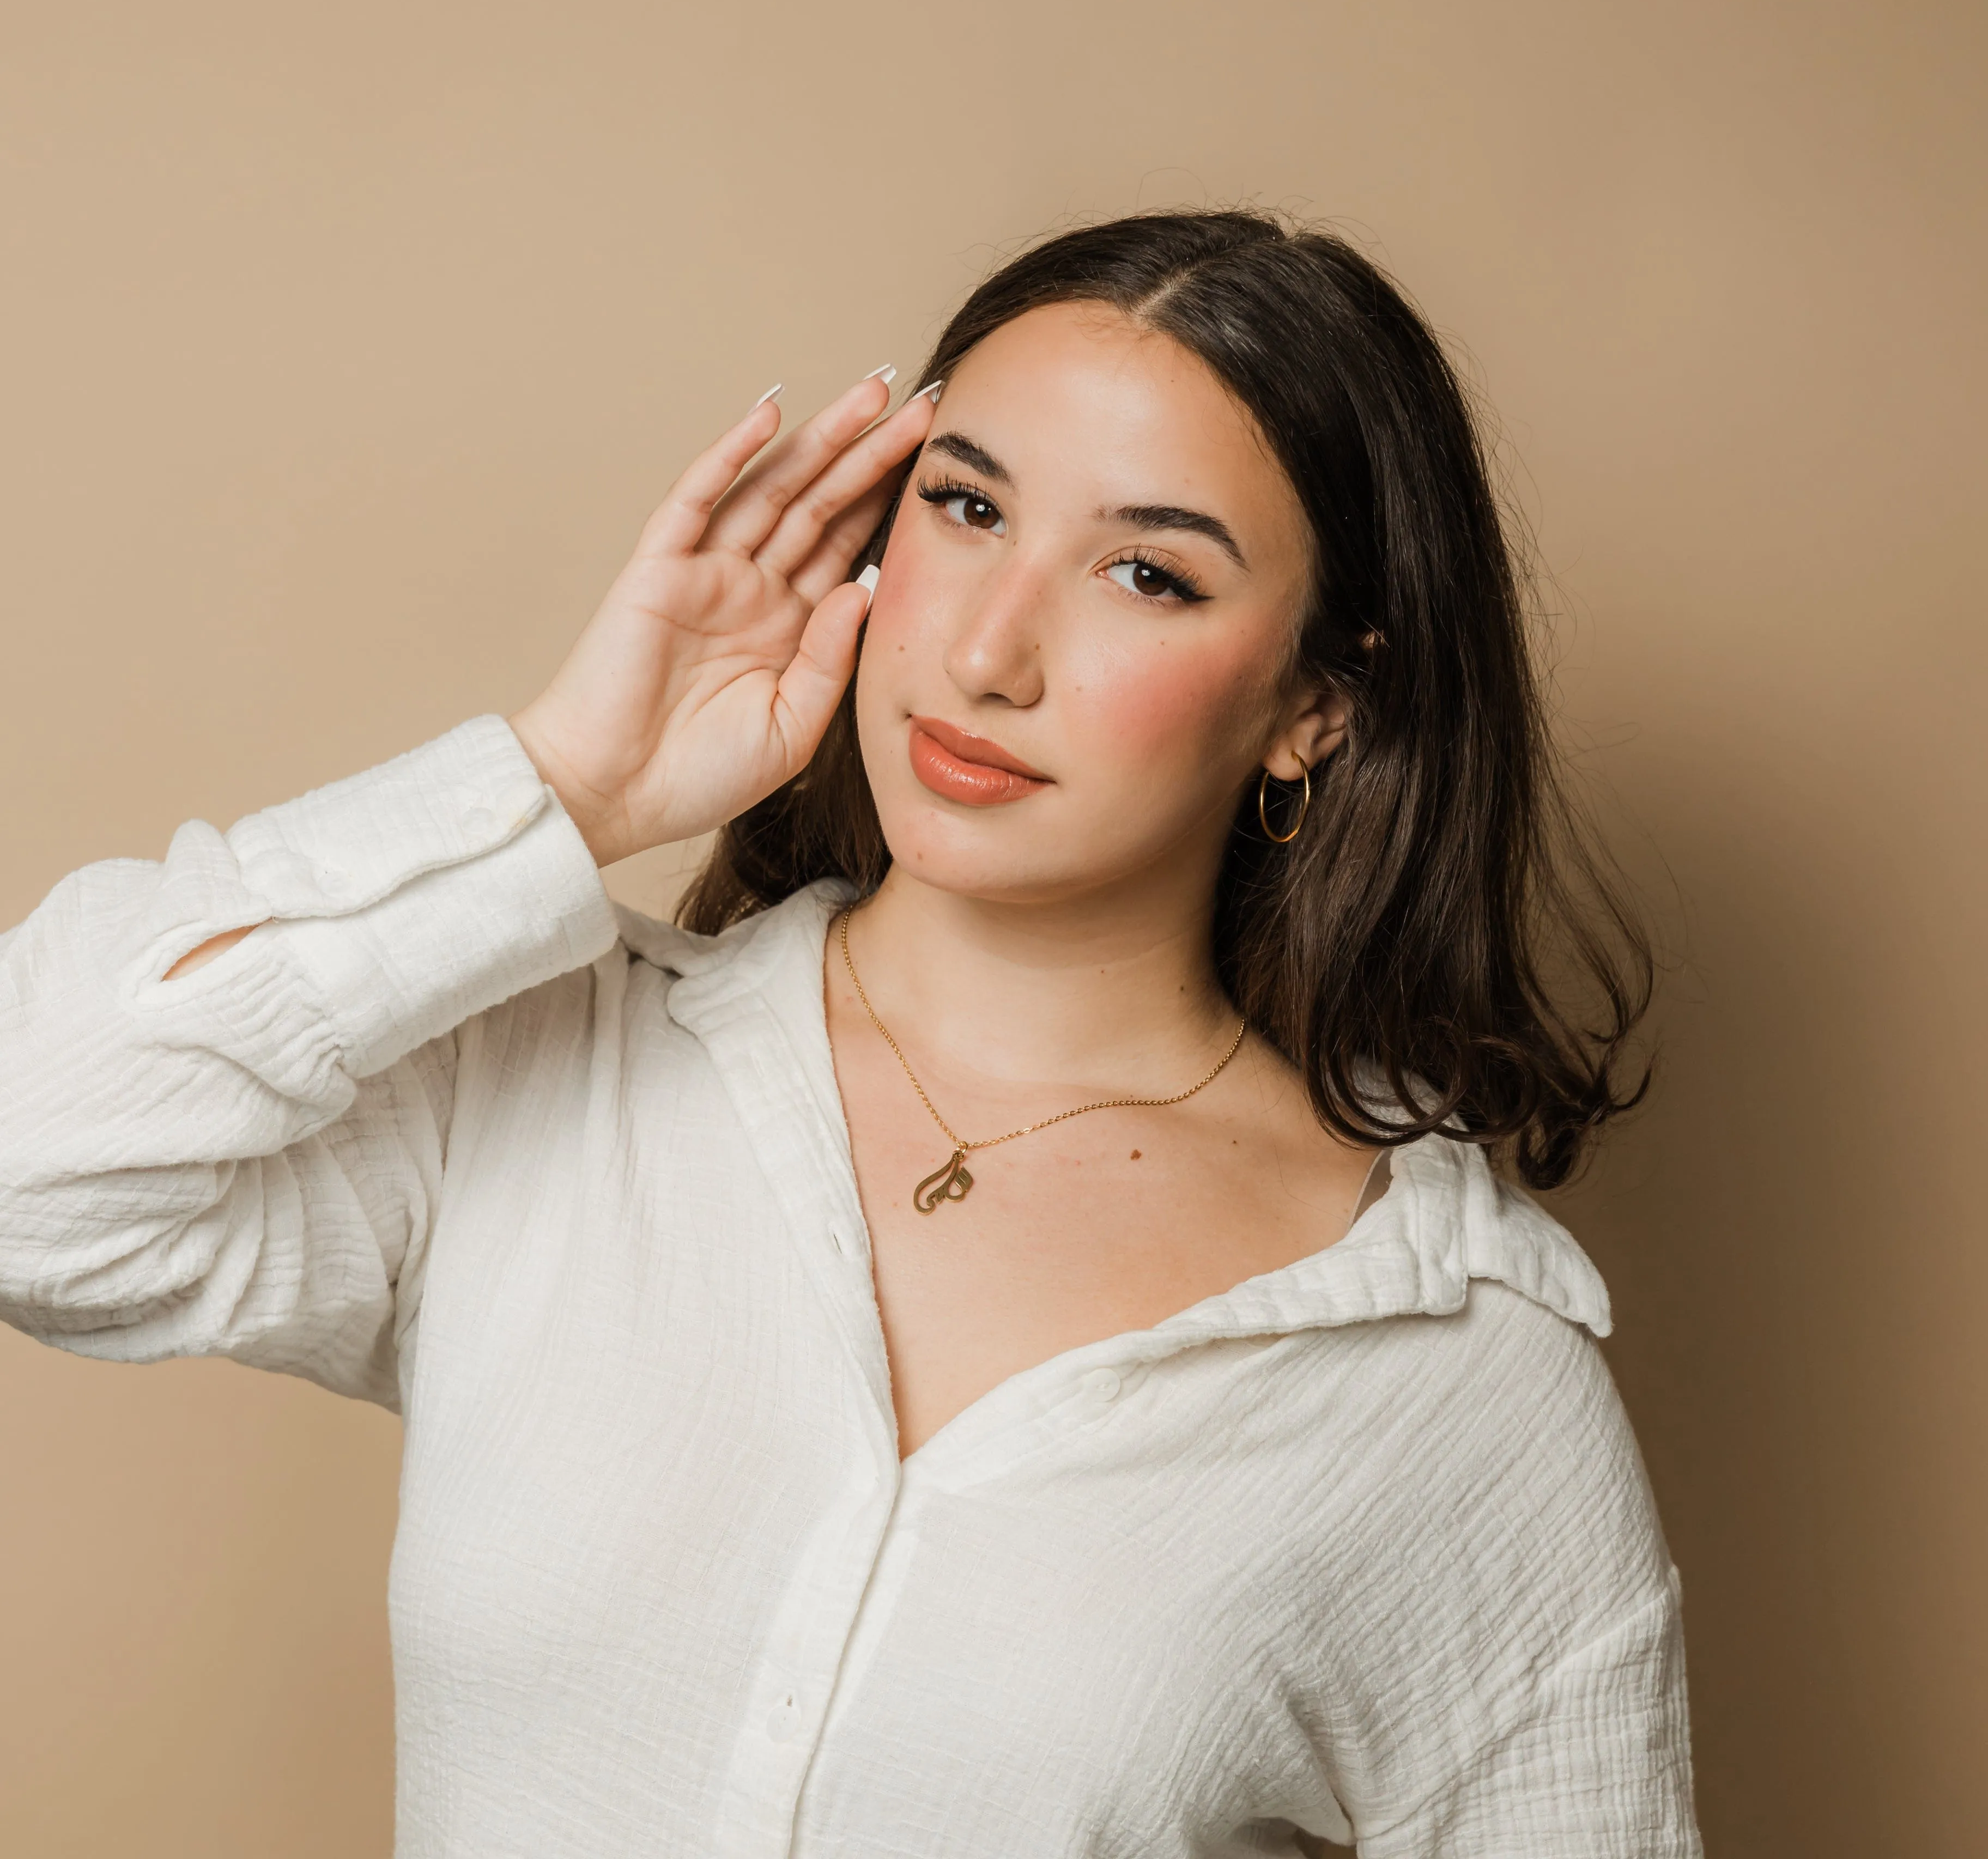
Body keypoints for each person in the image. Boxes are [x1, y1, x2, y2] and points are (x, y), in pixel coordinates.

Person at [1, 211, 1700, 1857]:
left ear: (1318, 707)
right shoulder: (547, 1082)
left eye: (1145, 572)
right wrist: (562, 790)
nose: (984, 648)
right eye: (966, 508)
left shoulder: (1452, 1372)